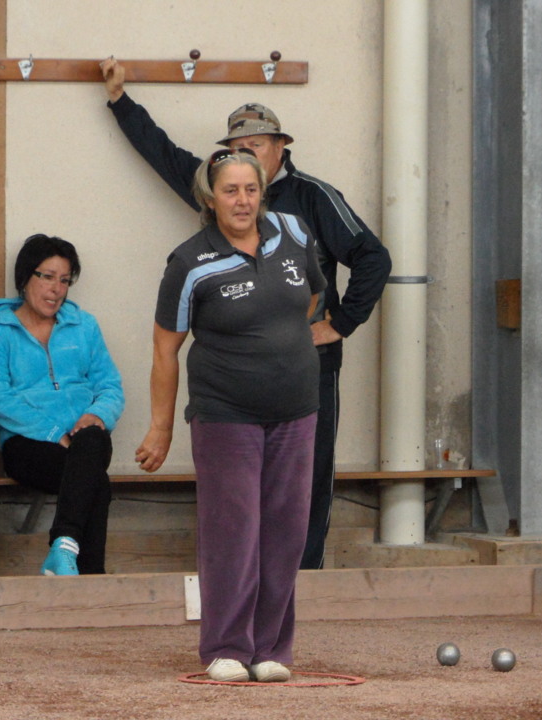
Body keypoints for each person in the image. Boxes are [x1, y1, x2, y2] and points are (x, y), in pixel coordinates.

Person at [100, 57, 391, 570]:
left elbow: (373, 257)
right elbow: (163, 153)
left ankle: (303, 580)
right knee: (239, 497)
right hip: (232, 386)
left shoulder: (313, 198)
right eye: (237, 148)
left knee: (302, 486)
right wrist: (120, 101)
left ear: (280, 147)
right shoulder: (218, 193)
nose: (245, 160)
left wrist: (340, 323)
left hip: (306, 371)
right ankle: (245, 584)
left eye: (256, 144)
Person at [136, 148, 326, 682]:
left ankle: (270, 650)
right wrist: (161, 428)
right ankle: (226, 647)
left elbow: (311, 298)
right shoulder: (189, 263)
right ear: (209, 197)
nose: (242, 201)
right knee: (232, 531)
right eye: (230, 191)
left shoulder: (294, 232)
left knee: (286, 532)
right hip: (225, 413)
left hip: (297, 410)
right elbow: (165, 350)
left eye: (250, 189)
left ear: (262, 192)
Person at [0, 234, 124, 576]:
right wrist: (54, 433)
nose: (56, 289)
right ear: (24, 277)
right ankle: (89, 579)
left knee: (93, 438)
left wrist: (96, 414)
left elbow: (110, 386)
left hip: (84, 440)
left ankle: (64, 548)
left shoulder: (84, 326)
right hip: (26, 445)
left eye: (64, 280)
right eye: (47, 277)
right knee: (96, 483)